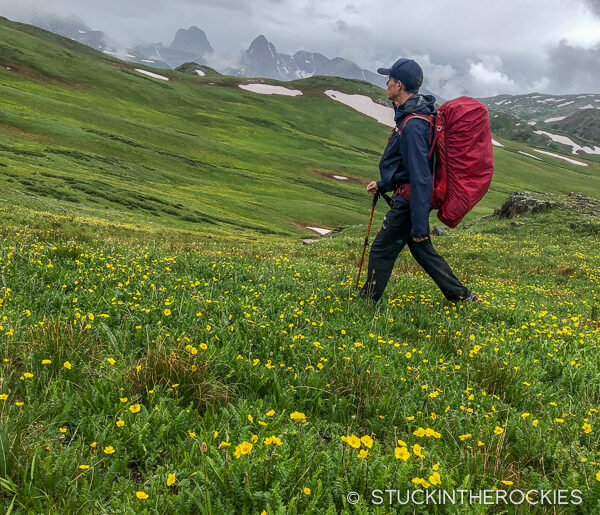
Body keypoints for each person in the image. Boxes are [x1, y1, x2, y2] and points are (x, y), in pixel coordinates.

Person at [359, 58, 479, 303]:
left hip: (410, 200)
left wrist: (419, 223)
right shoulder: (414, 116)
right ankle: (463, 296)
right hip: (409, 196)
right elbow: (410, 168)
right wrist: (383, 185)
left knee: (382, 250)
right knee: (422, 250)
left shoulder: (413, 124)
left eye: (389, 80)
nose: (386, 83)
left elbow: (421, 175)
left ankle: (366, 301)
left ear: (399, 85)